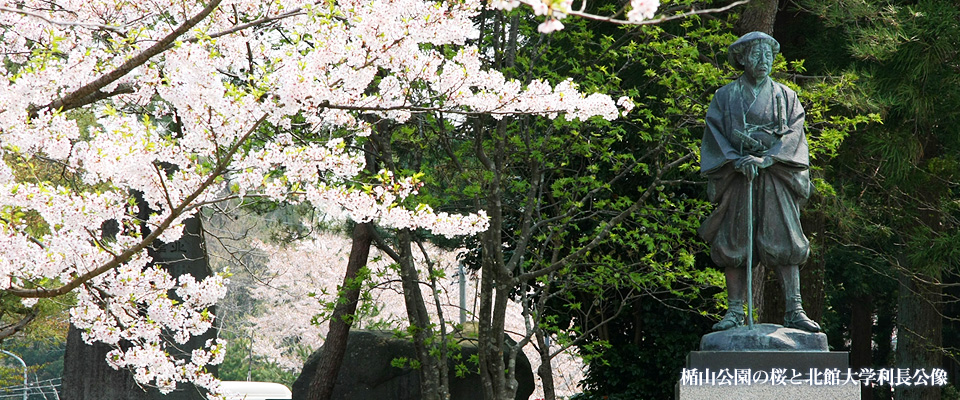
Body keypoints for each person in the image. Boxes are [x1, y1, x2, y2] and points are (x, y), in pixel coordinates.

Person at [699, 31, 820, 333]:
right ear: (741, 58)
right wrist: (736, 160)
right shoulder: (724, 96)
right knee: (735, 240)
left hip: (777, 175)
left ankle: (794, 309)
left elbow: (795, 134)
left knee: (786, 238)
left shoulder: (786, 96)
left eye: (768, 54)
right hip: (738, 177)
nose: (763, 60)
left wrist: (767, 159)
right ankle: (735, 312)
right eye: (756, 54)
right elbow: (714, 135)